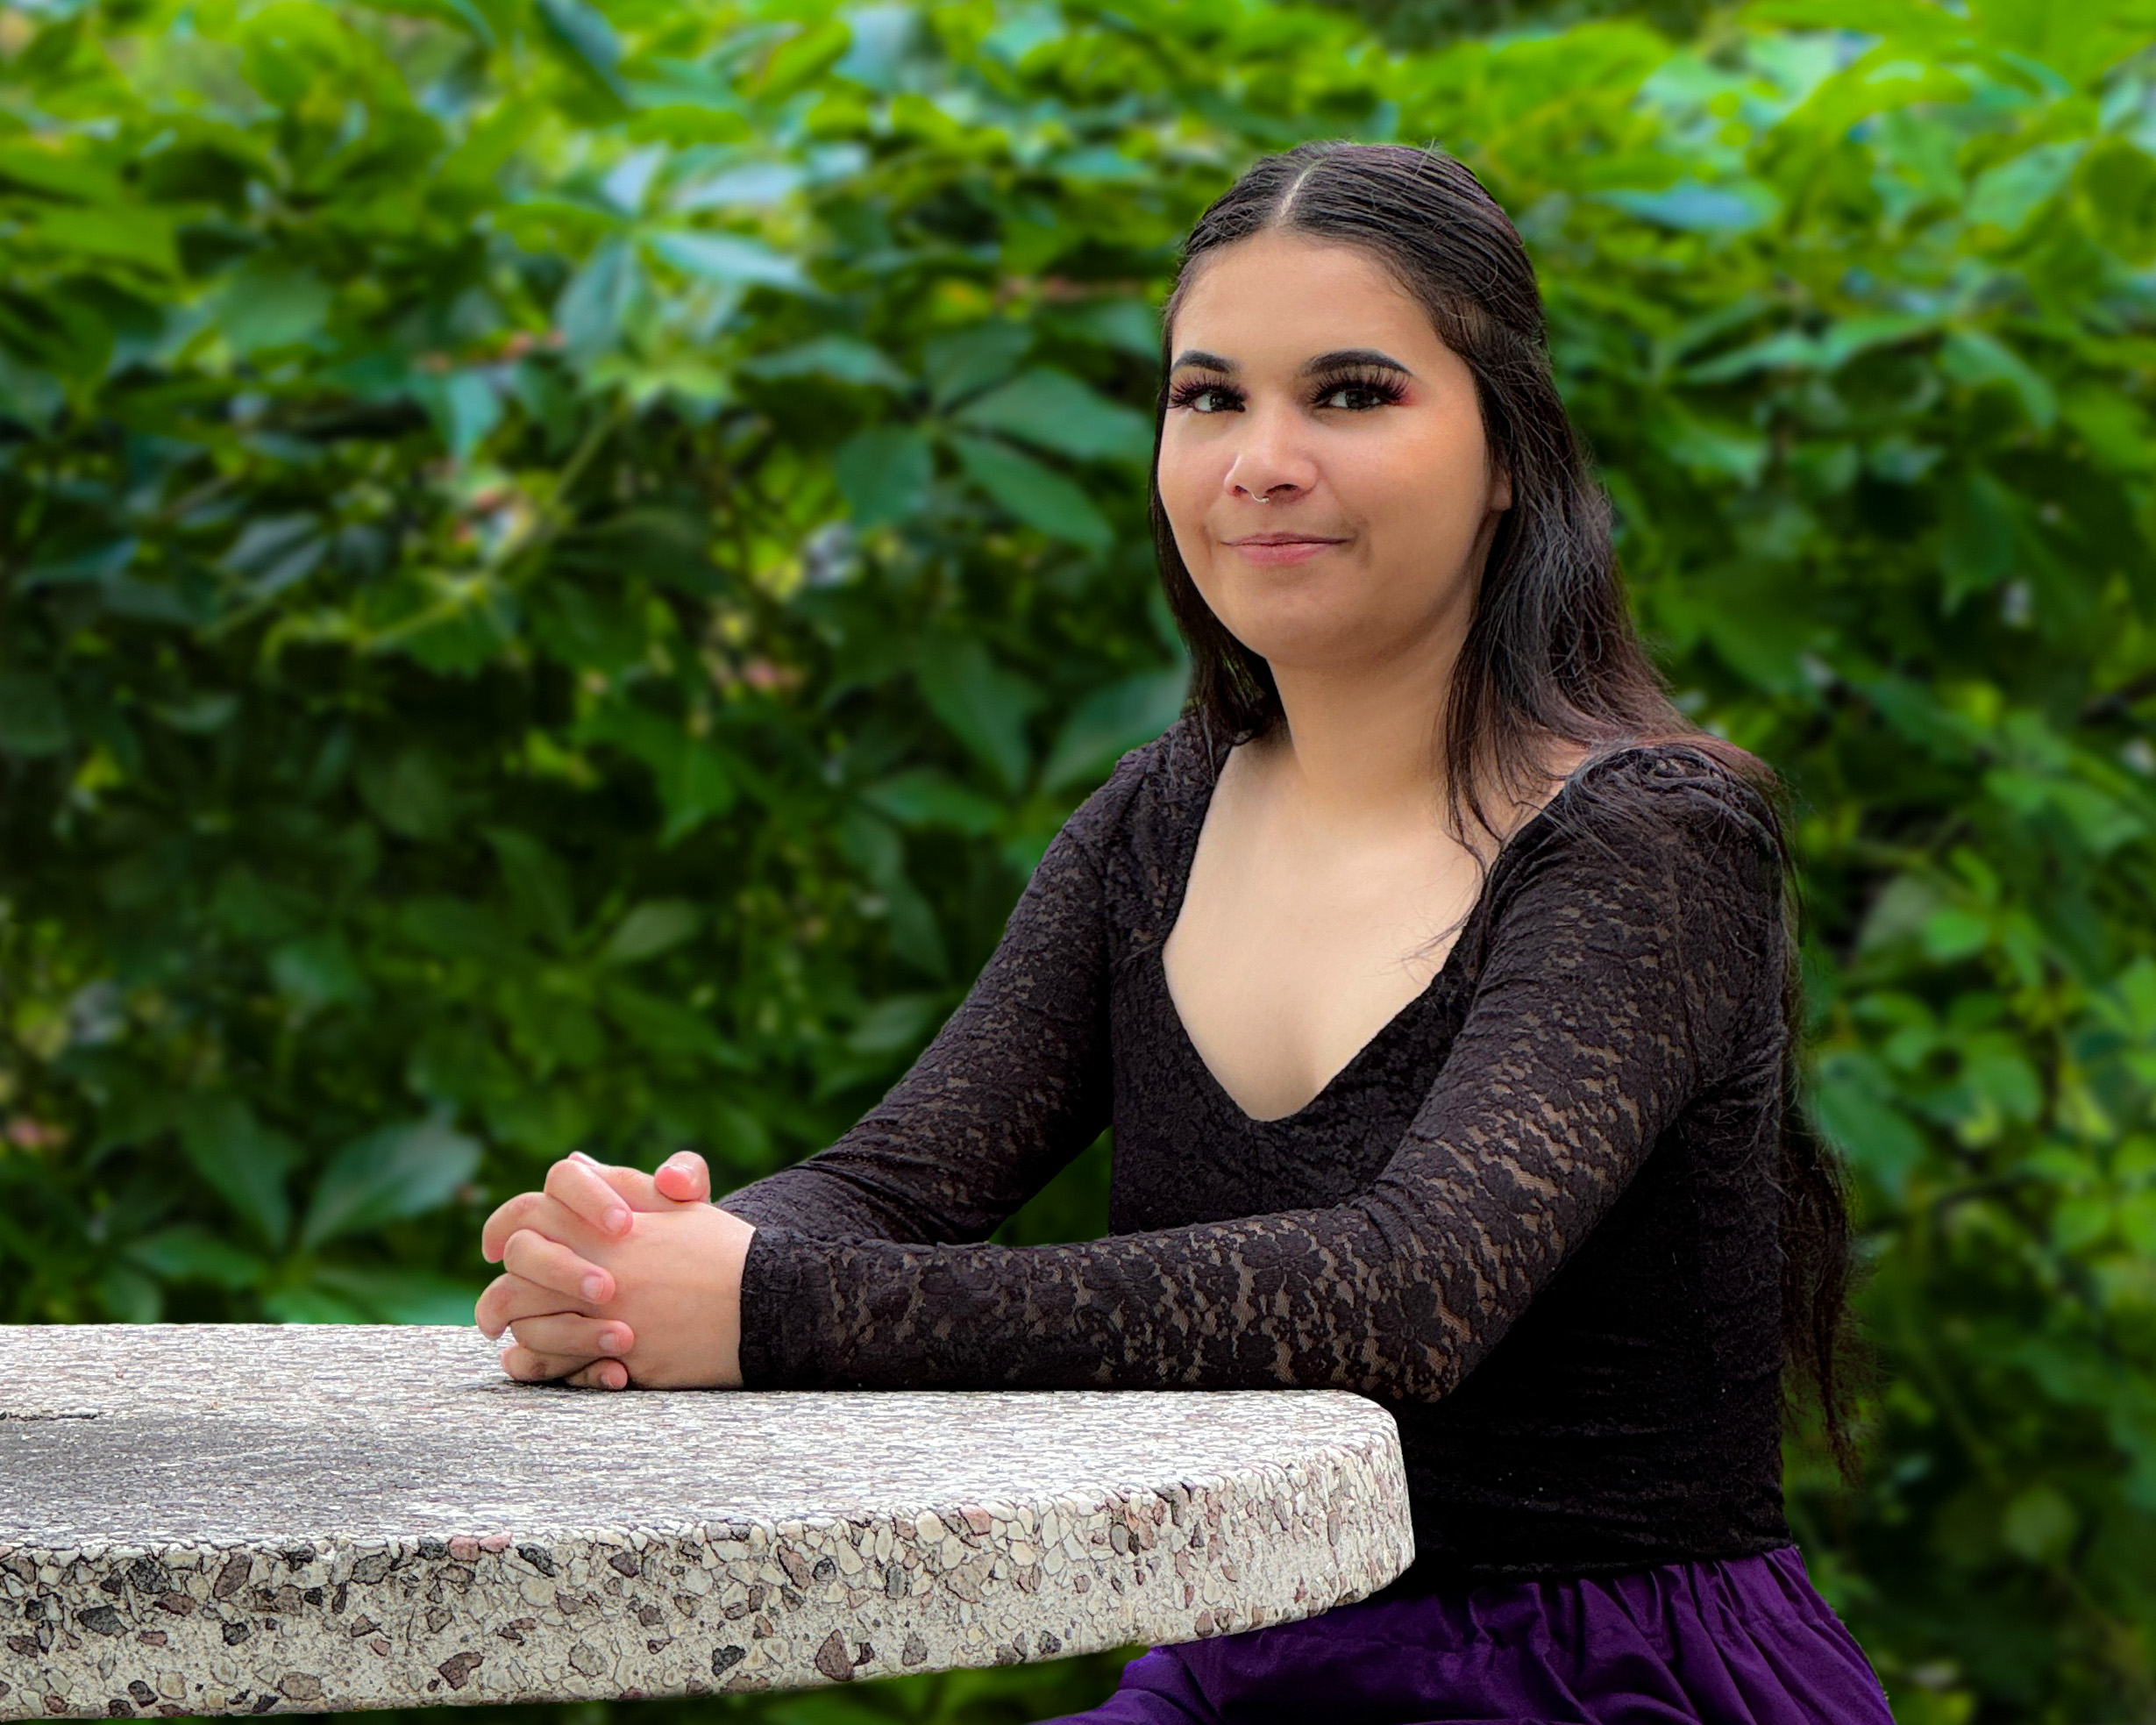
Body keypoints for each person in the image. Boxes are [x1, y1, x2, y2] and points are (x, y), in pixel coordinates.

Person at [473, 140, 1893, 1723]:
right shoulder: (1158, 823)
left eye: (1351, 393)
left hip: (1594, 1678)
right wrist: (628, 1274)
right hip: (1245, 1662)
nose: (1260, 459)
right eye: (1209, 396)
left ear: (1511, 456)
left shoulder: (1649, 845)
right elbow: (894, 1187)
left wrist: (764, 1308)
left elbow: (1404, 1295)